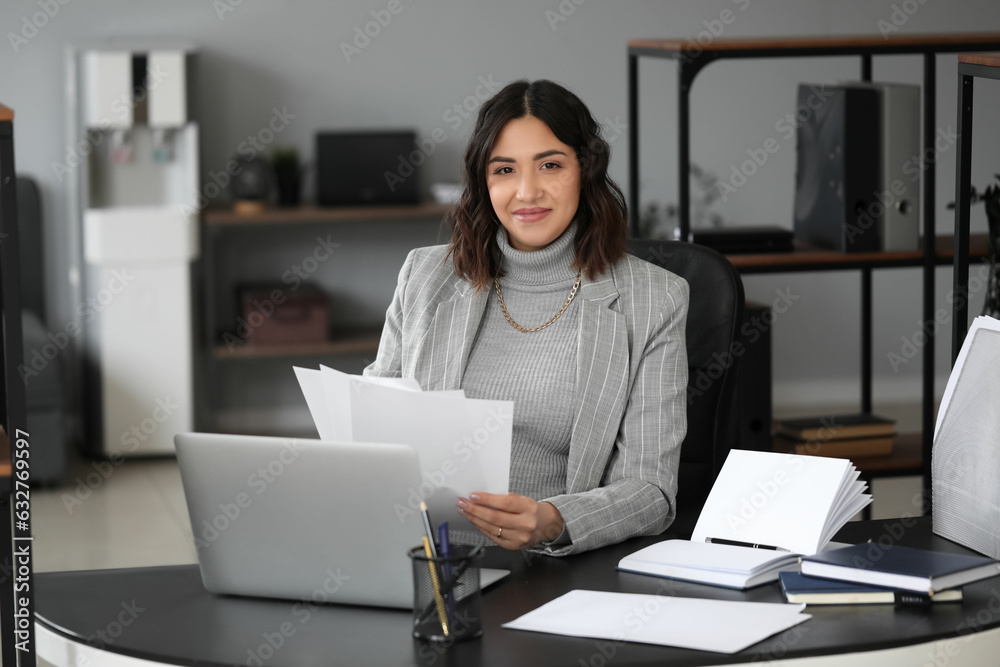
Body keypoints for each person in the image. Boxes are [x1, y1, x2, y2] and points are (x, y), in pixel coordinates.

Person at [364, 79, 688, 556]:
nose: (526, 192)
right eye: (504, 170)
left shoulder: (655, 298)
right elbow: (371, 431)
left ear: (586, 170)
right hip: (427, 556)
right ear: (483, 180)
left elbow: (652, 490)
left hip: (549, 567)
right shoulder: (424, 275)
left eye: (550, 165)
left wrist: (553, 520)